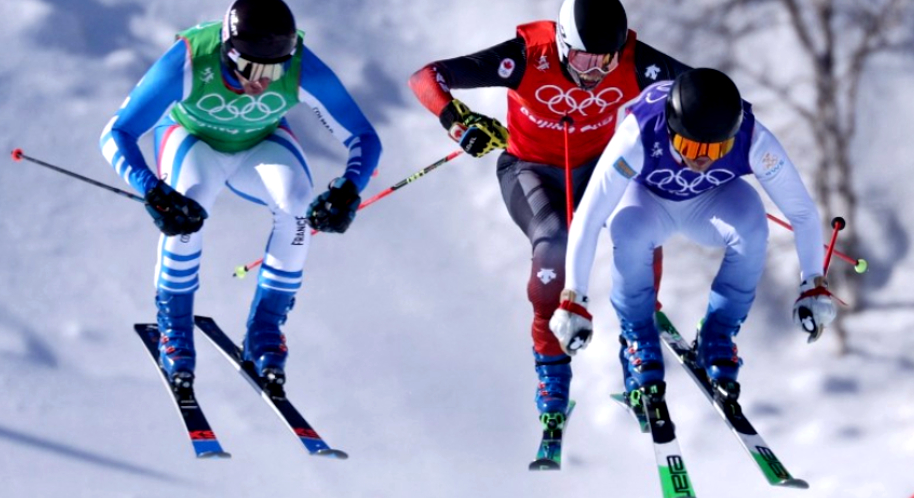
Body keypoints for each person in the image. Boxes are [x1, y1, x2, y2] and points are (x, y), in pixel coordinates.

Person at [407, 0, 690, 429]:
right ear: (560, 44)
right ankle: (552, 374)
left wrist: (700, 133)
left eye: (605, 60)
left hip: (598, 169)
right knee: (554, 242)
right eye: (582, 58)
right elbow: (426, 77)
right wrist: (458, 122)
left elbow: (707, 91)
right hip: (530, 170)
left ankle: (638, 343)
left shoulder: (637, 62)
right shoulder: (526, 56)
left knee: (641, 226)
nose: (594, 72)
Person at [100, 0, 381, 392]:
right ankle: (175, 328)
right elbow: (116, 133)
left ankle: (265, 329)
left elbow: (364, 137)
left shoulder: (301, 65)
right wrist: (152, 189)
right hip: (191, 139)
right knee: (189, 203)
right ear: (228, 54)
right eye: (253, 69)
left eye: (274, 68)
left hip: (260, 141)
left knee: (298, 203)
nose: (263, 82)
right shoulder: (189, 59)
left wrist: (350, 188)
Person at [549, 68, 838, 406]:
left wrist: (812, 284)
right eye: (690, 145)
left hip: (710, 204)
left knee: (752, 224)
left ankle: (718, 334)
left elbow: (801, 211)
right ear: (672, 130)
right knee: (627, 228)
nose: (702, 159)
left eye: (717, 150)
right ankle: (638, 335)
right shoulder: (637, 134)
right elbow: (589, 214)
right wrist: (574, 298)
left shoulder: (753, 139)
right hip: (648, 202)